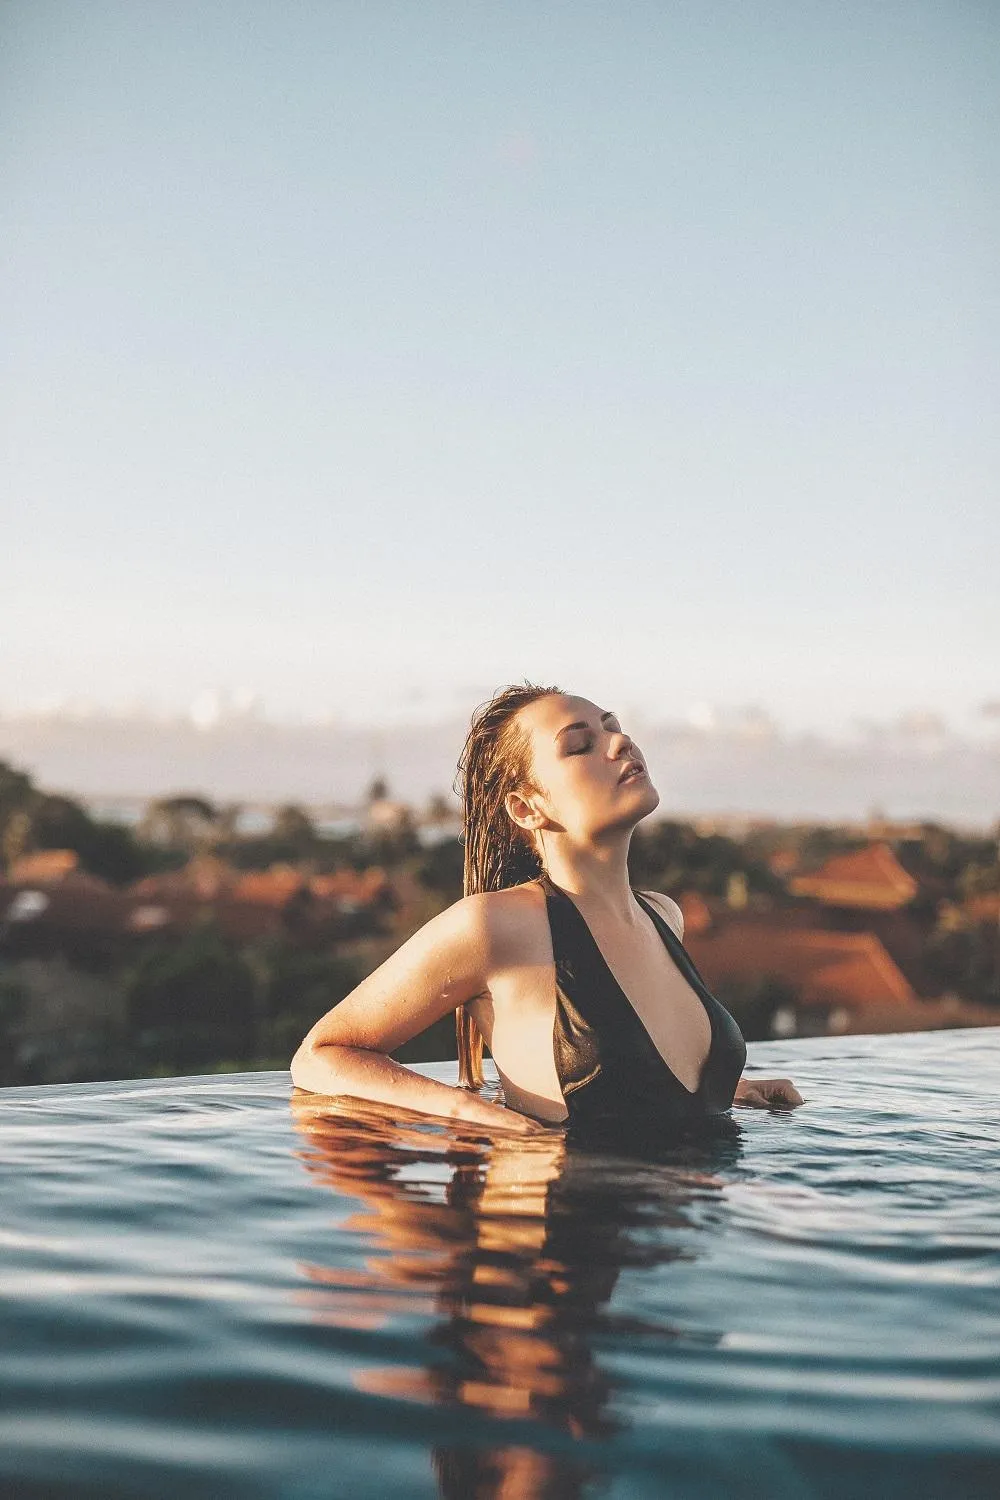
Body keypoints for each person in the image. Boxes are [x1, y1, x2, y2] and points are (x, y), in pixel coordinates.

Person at [291, 683, 803, 1137]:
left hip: (689, 1232)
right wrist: (462, 1110)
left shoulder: (664, 917)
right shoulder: (494, 926)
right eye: (581, 746)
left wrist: (728, 1088)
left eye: (614, 728)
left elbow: (634, 1091)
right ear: (527, 807)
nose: (620, 743)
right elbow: (321, 1055)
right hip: (556, 1236)